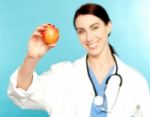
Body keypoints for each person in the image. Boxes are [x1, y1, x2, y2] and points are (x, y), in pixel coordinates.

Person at [7, 3, 149, 117]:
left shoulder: (135, 81)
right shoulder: (61, 75)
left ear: (108, 26)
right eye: (81, 31)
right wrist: (31, 58)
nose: (89, 37)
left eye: (94, 28)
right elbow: (22, 93)